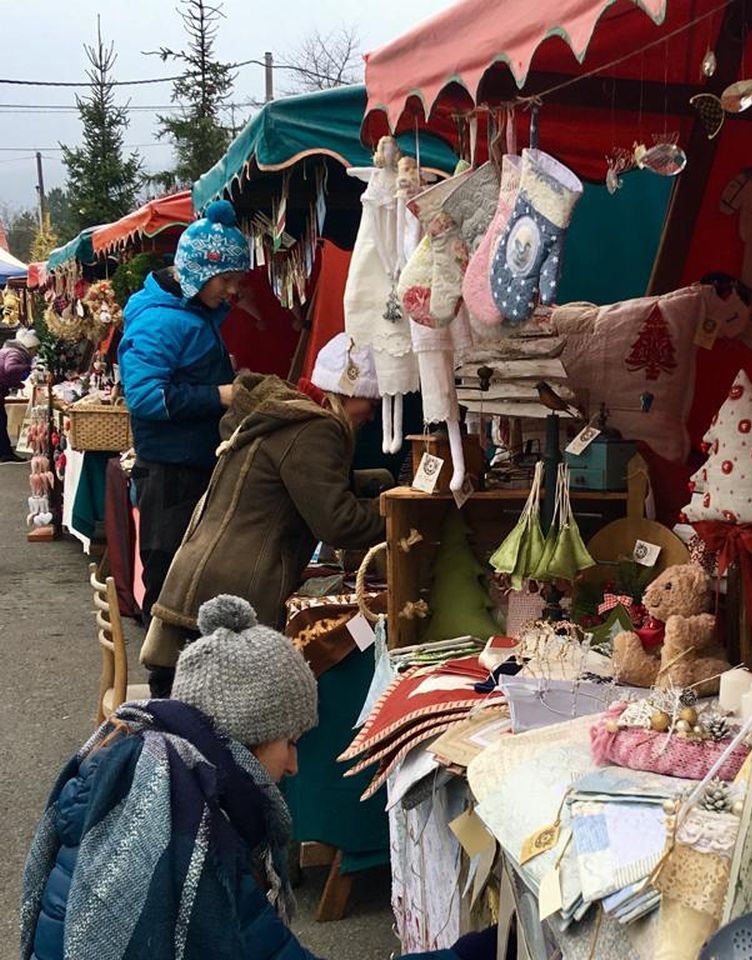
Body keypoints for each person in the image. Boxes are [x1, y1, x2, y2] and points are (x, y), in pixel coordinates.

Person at [20, 596, 468, 960]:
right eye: (290, 742)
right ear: (249, 737)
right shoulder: (195, 839)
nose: (294, 765)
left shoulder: (132, 772)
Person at [141, 333, 388, 696]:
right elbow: (339, 522)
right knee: (219, 714)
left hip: (203, 580)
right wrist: (399, 511)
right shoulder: (314, 429)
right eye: (371, 400)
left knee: (189, 712)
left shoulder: (286, 415)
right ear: (348, 392)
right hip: (237, 590)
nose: (372, 413)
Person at [119, 199, 248, 657]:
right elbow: (145, 397)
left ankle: (187, 675)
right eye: (226, 279)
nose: (232, 290)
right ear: (197, 271)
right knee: (169, 580)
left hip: (189, 468)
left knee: (189, 578)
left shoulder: (192, 313)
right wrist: (219, 395)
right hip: (169, 475)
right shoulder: (160, 320)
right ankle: (165, 682)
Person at [0, 327, 39, 463]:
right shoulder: (15, 353)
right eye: (34, 350)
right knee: (1, 420)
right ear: (29, 347)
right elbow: (9, 369)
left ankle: (4, 450)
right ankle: (4, 453)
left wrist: (18, 384)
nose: (35, 354)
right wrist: (29, 368)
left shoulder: (9, 350)